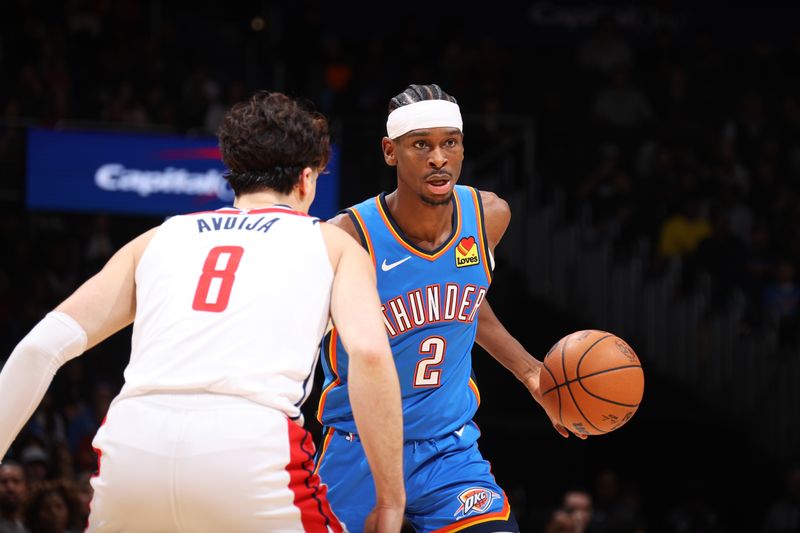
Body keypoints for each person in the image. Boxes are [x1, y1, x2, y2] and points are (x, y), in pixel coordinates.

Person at [0, 90, 405, 533]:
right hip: (248, 448)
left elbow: (42, 347)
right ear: (307, 179)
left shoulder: (158, 238)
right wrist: (390, 499)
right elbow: (368, 355)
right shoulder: (333, 244)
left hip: (134, 449)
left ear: (235, 176)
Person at [315, 83, 581, 533]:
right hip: (358, 449)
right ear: (390, 152)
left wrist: (531, 372)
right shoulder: (348, 236)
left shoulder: (489, 216)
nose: (438, 158)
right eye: (421, 145)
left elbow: (468, 304)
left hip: (449, 451)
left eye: (449, 143)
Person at [0, 462, 28, 533]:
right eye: (4, 481)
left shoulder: (33, 526)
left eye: (16, 481)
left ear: (25, 487)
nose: (10, 487)